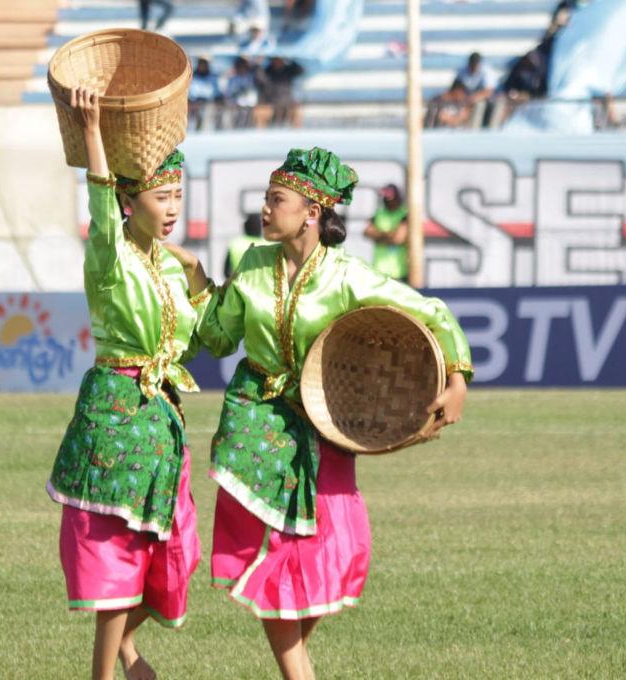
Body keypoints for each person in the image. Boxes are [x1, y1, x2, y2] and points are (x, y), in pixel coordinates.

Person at [198, 147, 472, 679]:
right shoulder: (253, 264)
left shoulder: (347, 278)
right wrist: (196, 286)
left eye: (275, 199)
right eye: (266, 198)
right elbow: (215, 337)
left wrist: (457, 376)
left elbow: (431, 313)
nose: (264, 207)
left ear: (311, 212)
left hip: (326, 424)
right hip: (257, 423)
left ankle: (296, 660)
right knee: (280, 553)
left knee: (337, 550)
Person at [47, 86, 215, 680]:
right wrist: (93, 130)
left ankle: (126, 652)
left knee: (174, 555)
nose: (172, 208)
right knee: (116, 556)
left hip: (162, 424)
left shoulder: (171, 266)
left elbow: (202, 339)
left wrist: (199, 277)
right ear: (128, 197)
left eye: (177, 196)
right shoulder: (110, 257)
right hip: (116, 417)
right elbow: (97, 206)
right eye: (161, 196)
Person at [363, 183, 409, 280]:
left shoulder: (404, 214)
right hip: (379, 271)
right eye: (385, 198)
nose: (387, 201)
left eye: (390, 198)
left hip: (399, 272)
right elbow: (367, 232)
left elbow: (398, 239)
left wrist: (378, 236)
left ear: (397, 198)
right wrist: (389, 235)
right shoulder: (379, 213)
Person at [255, 56, 305, 128]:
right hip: (270, 103)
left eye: (280, 59)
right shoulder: (267, 71)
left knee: (297, 111)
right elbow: (259, 79)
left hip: (287, 102)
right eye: (275, 59)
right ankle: (260, 135)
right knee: (261, 110)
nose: (277, 62)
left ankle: (297, 135)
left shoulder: (289, 70)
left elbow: (301, 71)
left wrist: (291, 60)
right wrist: (258, 64)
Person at [224, 212, 265, 277]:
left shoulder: (234, 244)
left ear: (245, 227)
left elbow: (226, 271)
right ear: (260, 228)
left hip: (237, 284)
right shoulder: (268, 245)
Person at [224, 56, 260, 128]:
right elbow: (228, 94)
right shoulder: (233, 79)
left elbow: (255, 92)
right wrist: (231, 102)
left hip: (250, 106)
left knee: (249, 123)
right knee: (237, 123)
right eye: (239, 66)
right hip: (236, 106)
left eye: (243, 66)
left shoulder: (251, 77)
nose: (241, 68)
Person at [189, 57, 223, 131]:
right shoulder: (193, 77)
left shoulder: (213, 77)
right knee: (193, 107)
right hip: (195, 103)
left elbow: (217, 93)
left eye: (204, 65)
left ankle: (212, 128)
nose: (202, 67)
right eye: (201, 65)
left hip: (209, 102)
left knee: (211, 107)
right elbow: (191, 93)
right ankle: (195, 128)